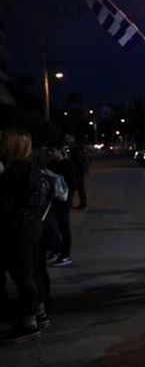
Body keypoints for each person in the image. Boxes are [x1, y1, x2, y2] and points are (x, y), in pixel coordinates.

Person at [0, 129, 53, 343]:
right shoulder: (35, 170)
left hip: (18, 228)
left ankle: (28, 322)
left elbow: (4, 204)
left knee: (23, 275)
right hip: (35, 225)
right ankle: (40, 314)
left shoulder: (13, 172)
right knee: (34, 270)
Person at [46, 143, 76, 267]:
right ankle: (57, 250)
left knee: (64, 227)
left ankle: (66, 255)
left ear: (60, 150)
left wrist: (54, 176)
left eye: (53, 150)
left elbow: (71, 184)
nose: (51, 153)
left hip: (63, 200)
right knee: (54, 227)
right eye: (49, 151)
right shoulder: (52, 163)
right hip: (53, 199)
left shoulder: (68, 164)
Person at [68, 141, 89, 210]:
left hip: (76, 175)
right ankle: (83, 204)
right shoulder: (81, 157)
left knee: (73, 190)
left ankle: (73, 204)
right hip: (79, 175)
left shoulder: (75, 158)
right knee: (80, 190)